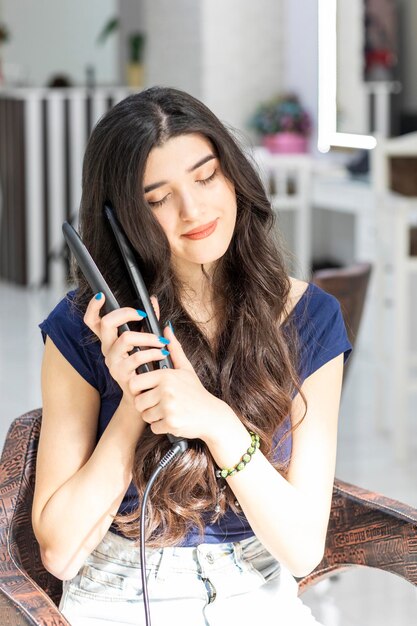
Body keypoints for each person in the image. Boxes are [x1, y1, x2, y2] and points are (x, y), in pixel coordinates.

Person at [32, 86, 352, 626]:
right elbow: (60, 554)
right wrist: (140, 397)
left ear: (233, 175)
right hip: (120, 587)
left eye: (206, 177)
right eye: (157, 199)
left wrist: (217, 422)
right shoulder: (83, 328)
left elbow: (302, 550)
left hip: (257, 586)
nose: (193, 210)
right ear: (123, 219)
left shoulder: (311, 319)